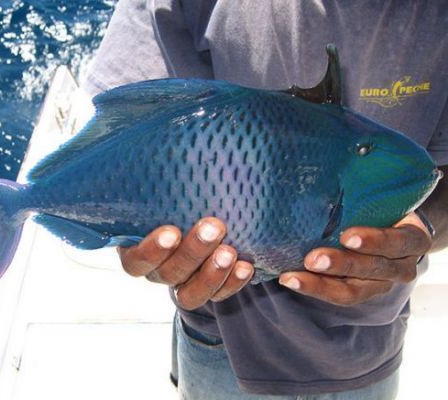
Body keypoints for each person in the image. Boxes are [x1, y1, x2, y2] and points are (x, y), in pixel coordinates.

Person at [81, 1, 448, 399]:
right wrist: (134, 234)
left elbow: (438, 183)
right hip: (218, 340)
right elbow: (130, 133)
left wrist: (422, 227)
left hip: (370, 345)